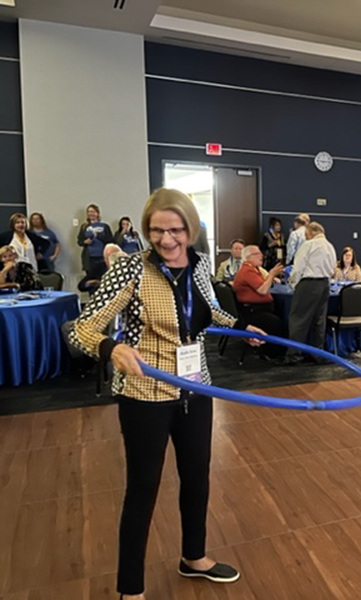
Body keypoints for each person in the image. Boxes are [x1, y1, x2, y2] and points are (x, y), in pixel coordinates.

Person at [69, 188, 265, 599]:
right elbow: (82, 326)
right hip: (145, 391)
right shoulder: (131, 270)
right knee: (143, 488)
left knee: (197, 477)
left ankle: (194, 557)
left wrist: (241, 328)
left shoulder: (199, 266)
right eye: (156, 231)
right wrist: (111, 347)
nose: (166, 239)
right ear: (146, 231)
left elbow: (209, 312)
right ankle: (131, 589)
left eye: (175, 229)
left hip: (196, 387)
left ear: (190, 229)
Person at [285, 222, 336, 364]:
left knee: (299, 320)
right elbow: (332, 270)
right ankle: (317, 354)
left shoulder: (309, 245)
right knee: (319, 321)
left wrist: (293, 284)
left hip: (308, 284)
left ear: (311, 232)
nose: (305, 236)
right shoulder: (330, 246)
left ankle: (293, 355)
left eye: (306, 234)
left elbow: (298, 268)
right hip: (324, 284)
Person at [232, 245, 286, 345]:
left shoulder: (254, 269)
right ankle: (273, 352)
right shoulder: (248, 270)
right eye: (257, 254)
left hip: (257, 308)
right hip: (253, 311)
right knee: (277, 322)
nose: (261, 256)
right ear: (248, 257)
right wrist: (271, 274)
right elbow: (262, 290)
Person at [77, 204, 113, 277]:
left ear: (97, 213)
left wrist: (99, 236)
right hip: (89, 257)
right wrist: (85, 242)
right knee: (90, 277)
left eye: (93, 212)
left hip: (102, 256)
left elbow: (111, 241)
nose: (91, 214)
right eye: (89, 212)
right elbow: (79, 241)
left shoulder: (105, 226)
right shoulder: (84, 227)